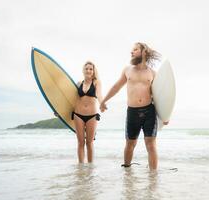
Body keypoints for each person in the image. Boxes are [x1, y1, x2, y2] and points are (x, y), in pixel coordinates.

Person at [100, 42, 168, 170]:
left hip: (149, 111)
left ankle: (153, 176)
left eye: (135, 49)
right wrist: (104, 101)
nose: (131, 52)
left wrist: (165, 115)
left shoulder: (153, 73)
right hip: (132, 112)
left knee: (151, 144)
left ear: (144, 52)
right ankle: (127, 172)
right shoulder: (127, 70)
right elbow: (116, 87)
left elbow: (160, 96)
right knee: (130, 143)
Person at [72, 61, 102, 164]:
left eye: (91, 69)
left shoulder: (96, 82)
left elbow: (99, 95)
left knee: (89, 142)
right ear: (83, 70)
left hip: (92, 115)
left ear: (93, 71)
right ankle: (80, 167)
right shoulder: (79, 84)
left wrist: (102, 103)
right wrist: (59, 111)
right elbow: (72, 99)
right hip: (78, 115)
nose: (88, 70)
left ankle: (90, 167)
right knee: (80, 142)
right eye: (86, 69)